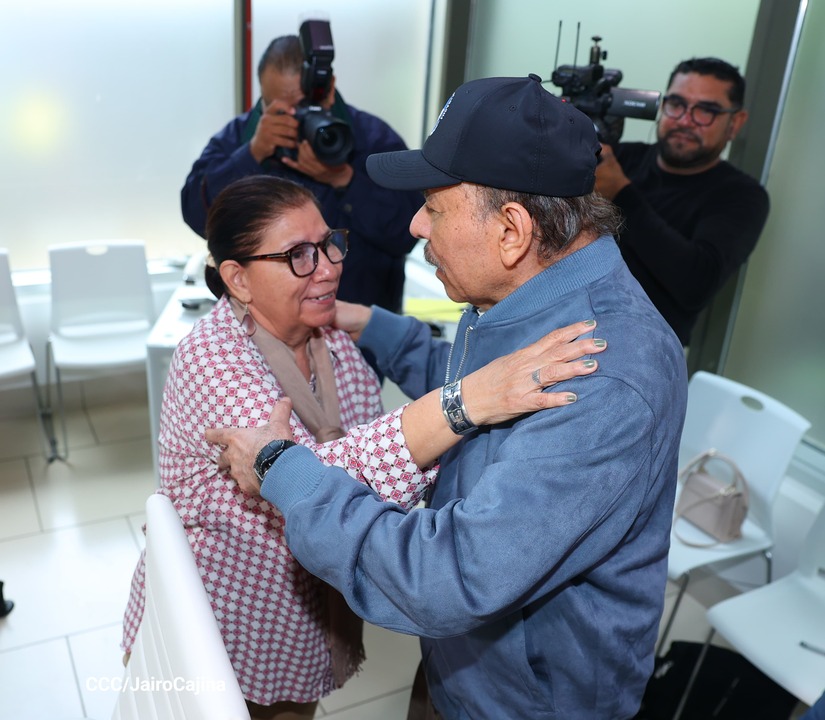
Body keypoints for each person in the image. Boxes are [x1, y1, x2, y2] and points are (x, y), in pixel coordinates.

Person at [209, 75, 689, 719]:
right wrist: (373, 325)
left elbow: (448, 577)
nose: (414, 225)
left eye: (433, 208)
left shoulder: (599, 375)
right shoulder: (523, 293)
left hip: (522, 701)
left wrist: (284, 470)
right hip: (464, 664)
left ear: (512, 230)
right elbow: (483, 393)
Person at [122, 174, 605, 719]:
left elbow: (355, 478)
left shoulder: (332, 348)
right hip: (220, 615)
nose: (329, 267)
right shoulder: (212, 360)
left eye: (329, 243)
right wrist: (468, 400)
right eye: (298, 256)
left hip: (295, 617)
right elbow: (309, 473)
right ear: (238, 278)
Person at [180, 33, 422, 319]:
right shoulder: (239, 137)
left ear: (328, 90)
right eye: (277, 107)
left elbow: (407, 233)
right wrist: (252, 154)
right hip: (264, 328)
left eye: (302, 107)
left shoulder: (371, 139)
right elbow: (197, 216)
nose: (292, 118)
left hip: (360, 323)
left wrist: (345, 180)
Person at [595, 57, 769, 347]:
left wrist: (621, 193)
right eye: (676, 104)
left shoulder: (741, 195)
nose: (685, 121)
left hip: (642, 352)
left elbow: (696, 283)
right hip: (564, 329)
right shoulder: (618, 158)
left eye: (706, 111)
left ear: (735, 123)